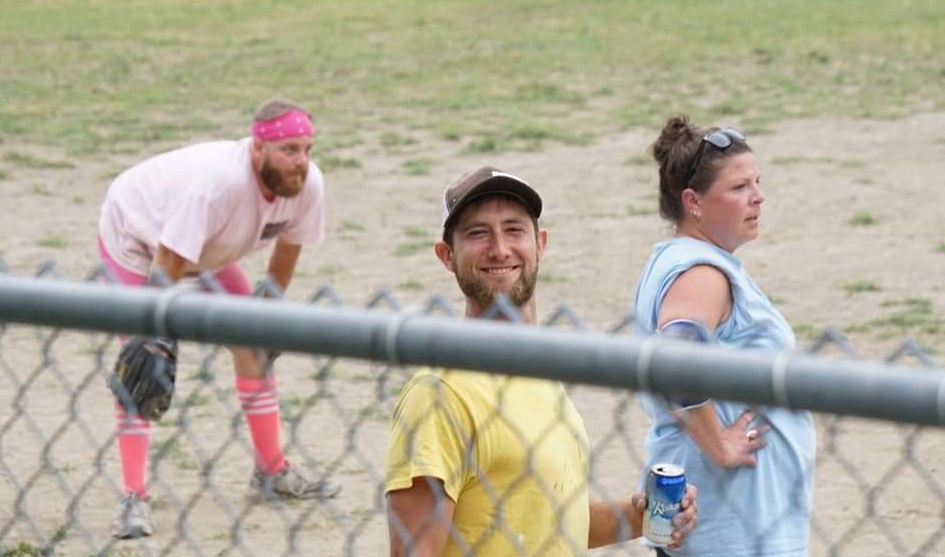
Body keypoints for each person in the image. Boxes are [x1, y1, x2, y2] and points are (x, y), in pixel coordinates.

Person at [384, 165, 698, 556]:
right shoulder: (438, 395)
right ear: (446, 255)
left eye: (514, 229)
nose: (500, 249)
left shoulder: (539, 369)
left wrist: (641, 516)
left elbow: (551, 521)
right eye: (478, 233)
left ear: (540, 243)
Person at [98, 97, 341, 539]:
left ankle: (271, 472)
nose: (301, 162)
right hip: (137, 235)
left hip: (205, 246)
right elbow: (169, 258)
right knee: (140, 363)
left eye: (307, 149)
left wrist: (266, 310)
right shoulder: (220, 184)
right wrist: (155, 336)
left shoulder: (308, 184)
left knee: (254, 344)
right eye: (289, 149)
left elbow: (288, 247)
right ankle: (132, 496)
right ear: (257, 150)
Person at [633, 115, 816, 556]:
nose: (758, 197)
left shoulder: (683, 260)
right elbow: (675, 357)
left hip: (733, 515)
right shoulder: (700, 273)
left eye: (756, 182)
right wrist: (719, 444)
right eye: (739, 188)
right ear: (693, 201)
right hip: (731, 520)